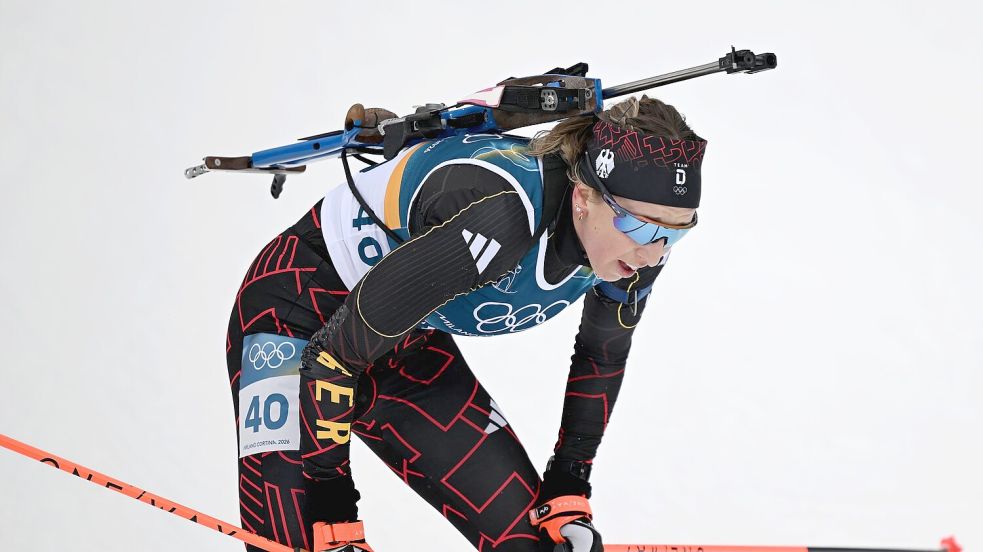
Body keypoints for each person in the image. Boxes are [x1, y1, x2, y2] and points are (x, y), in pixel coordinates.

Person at [225, 94, 706, 552]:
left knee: (536, 543)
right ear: (584, 196)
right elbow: (332, 357)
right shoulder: (502, 215)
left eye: (675, 233)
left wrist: (568, 487)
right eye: (642, 227)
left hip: (404, 342)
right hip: (298, 314)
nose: (654, 252)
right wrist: (333, 506)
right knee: (303, 543)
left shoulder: (635, 251)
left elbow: (602, 354)